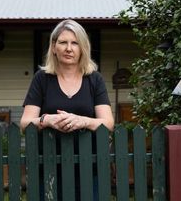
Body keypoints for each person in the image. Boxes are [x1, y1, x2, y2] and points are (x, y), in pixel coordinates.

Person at [20, 19, 114, 200]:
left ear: (82, 48)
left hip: (89, 167)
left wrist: (83, 121)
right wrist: (47, 120)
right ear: (54, 47)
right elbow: (25, 123)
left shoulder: (94, 79)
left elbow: (108, 123)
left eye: (75, 43)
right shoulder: (42, 79)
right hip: (48, 169)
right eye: (63, 42)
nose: (68, 48)